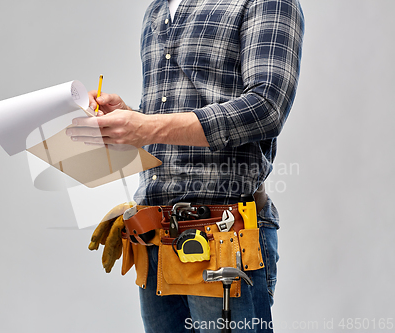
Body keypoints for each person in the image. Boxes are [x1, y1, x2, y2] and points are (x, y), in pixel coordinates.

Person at [68, 0, 304, 331]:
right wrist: (133, 120)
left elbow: (266, 108)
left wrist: (146, 127)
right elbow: (174, 121)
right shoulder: (157, 10)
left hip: (225, 237)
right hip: (155, 240)